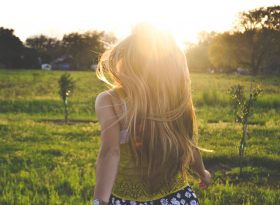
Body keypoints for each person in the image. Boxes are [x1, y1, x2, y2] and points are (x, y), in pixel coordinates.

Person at [93, 24, 211, 205]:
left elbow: (110, 152)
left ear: (125, 61)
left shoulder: (110, 100)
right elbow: (189, 142)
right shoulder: (174, 99)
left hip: (128, 199)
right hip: (176, 198)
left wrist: (100, 199)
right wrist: (202, 172)